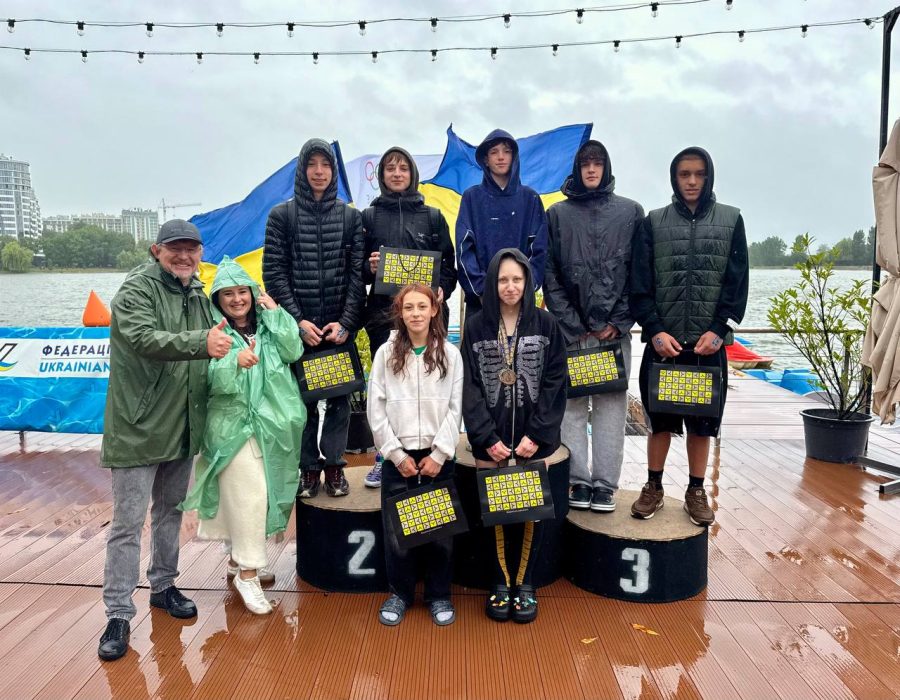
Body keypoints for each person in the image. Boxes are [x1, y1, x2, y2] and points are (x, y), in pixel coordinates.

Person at [98, 219, 232, 662]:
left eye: (192, 249)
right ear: (157, 251)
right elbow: (142, 338)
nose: (184, 256)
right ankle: (118, 613)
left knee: (170, 512)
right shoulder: (136, 289)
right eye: (175, 248)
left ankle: (163, 585)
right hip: (138, 425)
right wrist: (202, 343)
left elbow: (225, 330)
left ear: (200, 253)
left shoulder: (198, 293)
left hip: (181, 423)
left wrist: (263, 314)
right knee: (127, 523)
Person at [629, 146, 748, 526]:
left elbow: (737, 282)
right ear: (674, 178)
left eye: (699, 174)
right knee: (659, 422)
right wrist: (654, 329)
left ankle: (696, 491)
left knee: (702, 423)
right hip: (664, 345)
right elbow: (640, 285)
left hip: (706, 347)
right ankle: (653, 486)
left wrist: (720, 329)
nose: (692, 181)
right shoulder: (653, 222)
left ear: (708, 176)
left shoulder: (731, 220)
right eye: (685, 174)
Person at [180, 256, 306, 614]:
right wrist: (233, 364)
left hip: (273, 425)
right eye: (228, 293)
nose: (237, 299)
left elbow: (293, 350)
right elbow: (207, 381)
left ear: (252, 292)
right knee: (250, 496)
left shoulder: (268, 325)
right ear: (217, 299)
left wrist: (276, 313)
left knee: (263, 494)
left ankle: (238, 561)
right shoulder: (215, 332)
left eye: (242, 291)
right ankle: (248, 574)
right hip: (233, 426)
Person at [461, 248, 566, 623]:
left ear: (527, 282)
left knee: (529, 512)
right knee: (493, 512)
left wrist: (536, 435)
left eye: (517, 279)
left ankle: (525, 583)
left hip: (532, 441)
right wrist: (486, 436)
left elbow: (555, 381)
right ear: (492, 283)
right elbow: (469, 386)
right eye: (503, 279)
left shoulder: (546, 325)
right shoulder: (476, 326)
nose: (510, 286)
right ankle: (499, 581)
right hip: (489, 441)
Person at [544, 140, 644, 513]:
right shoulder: (557, 214)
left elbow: (639, 272)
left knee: (611, 408)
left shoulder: (631, 212)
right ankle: (578, 480)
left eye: (597, 163)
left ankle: (605, 484)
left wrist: (618, 322)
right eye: (585, 163)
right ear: (576, 167)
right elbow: (549, 273)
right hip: (572, 335)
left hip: (613, 336)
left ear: (606, 167)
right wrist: (572, 324)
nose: (591, 169)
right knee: (571, 407)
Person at [263, 138, 366, 499]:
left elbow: (358, 277)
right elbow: (274, 273)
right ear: (302, 170)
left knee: (339, 401)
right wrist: (296, 322)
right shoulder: (282, 216)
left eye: (326, 165)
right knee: (302, 402)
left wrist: (347, 323)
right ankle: (308, 468)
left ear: (333, 171)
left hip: (337, 329)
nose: (319, 171)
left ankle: (335, 465)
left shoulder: (350, 217)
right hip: (300, 331)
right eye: (312, 164)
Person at [367, 284, 464, 626]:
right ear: (400, 312)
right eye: (409, 307)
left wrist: (440, 453)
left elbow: (455, 408)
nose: (416, 313)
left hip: (437, 458)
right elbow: (376, 408)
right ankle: (400, 593)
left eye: (422, 306)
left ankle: (438, 594)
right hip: (400, 457)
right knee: (397, 534)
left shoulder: (450, 354)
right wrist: (395, 454)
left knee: (440, 533)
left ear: (434, 309)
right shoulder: (385, 353)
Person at [361, 147, 457, 488]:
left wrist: (442, 289)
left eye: (403, 167)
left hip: (427, 322)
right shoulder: (368, 217)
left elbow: (449, 268)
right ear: (382, 176)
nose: (397, 173)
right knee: (387, 391)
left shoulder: (433, 217)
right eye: (390, 168)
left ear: (412, 173)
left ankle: (435, 455)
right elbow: (355, 269)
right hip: (383, 319)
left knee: (431, 388)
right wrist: (369, 267)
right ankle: (385, 458)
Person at [456, 129, 548, 319]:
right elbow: (464, 250)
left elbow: (539, 251)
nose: (500, 157)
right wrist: (484, 290)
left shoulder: (530, 198)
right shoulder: (472, 198)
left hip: (520, 302)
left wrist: (521, 289)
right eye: (494, 152)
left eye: (506, 151)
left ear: (514, 156)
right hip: (480, 304)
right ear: (485, 159)